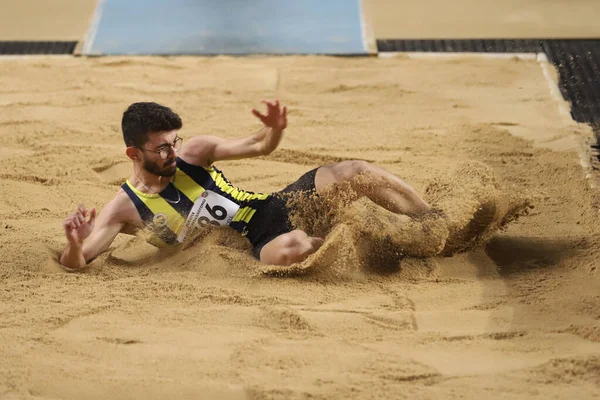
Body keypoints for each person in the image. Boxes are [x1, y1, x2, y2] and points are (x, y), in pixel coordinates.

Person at [60, 100, 431, 270]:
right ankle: (371, 242)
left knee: (353, 170)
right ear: (134, 152)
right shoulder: (123, 208)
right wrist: (75, 244)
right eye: (162, 148)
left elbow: (258, 145)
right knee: (293, 251)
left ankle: (431, 219)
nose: (173, 152)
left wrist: (275, 129)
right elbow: (78, 262)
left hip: (276, 207)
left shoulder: (194, 151)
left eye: (175, 141)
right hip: (255, 244)